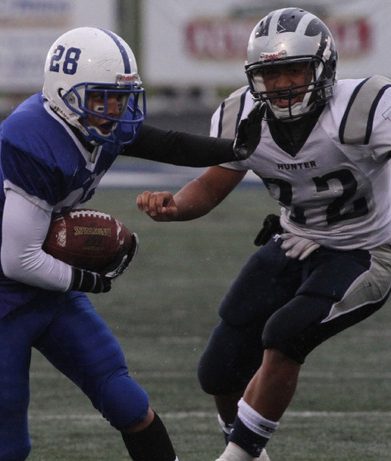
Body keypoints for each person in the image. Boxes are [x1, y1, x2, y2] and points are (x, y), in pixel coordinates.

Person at [0, 27, 259, 461]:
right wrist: (94, 279)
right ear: (63, 92)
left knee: (129, 404)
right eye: (101, 98)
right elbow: (18, 261)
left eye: (120, 97)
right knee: (7, 451)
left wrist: (237, 148)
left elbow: (167, 142)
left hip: (45, 275)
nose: (114, 110)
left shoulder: (94, 121)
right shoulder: (34, 139)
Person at [136, 7, 391, 461]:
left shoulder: (365, 106)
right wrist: (175, 207)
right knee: (219, 371)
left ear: (324, 67)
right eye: (271, 74)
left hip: (367, 249)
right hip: (296, 239)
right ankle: (251, 453)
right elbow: (212, 186)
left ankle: (238, 455)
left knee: (285, 334)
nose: (283, 84)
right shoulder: (244, 115)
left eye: (294, 70)